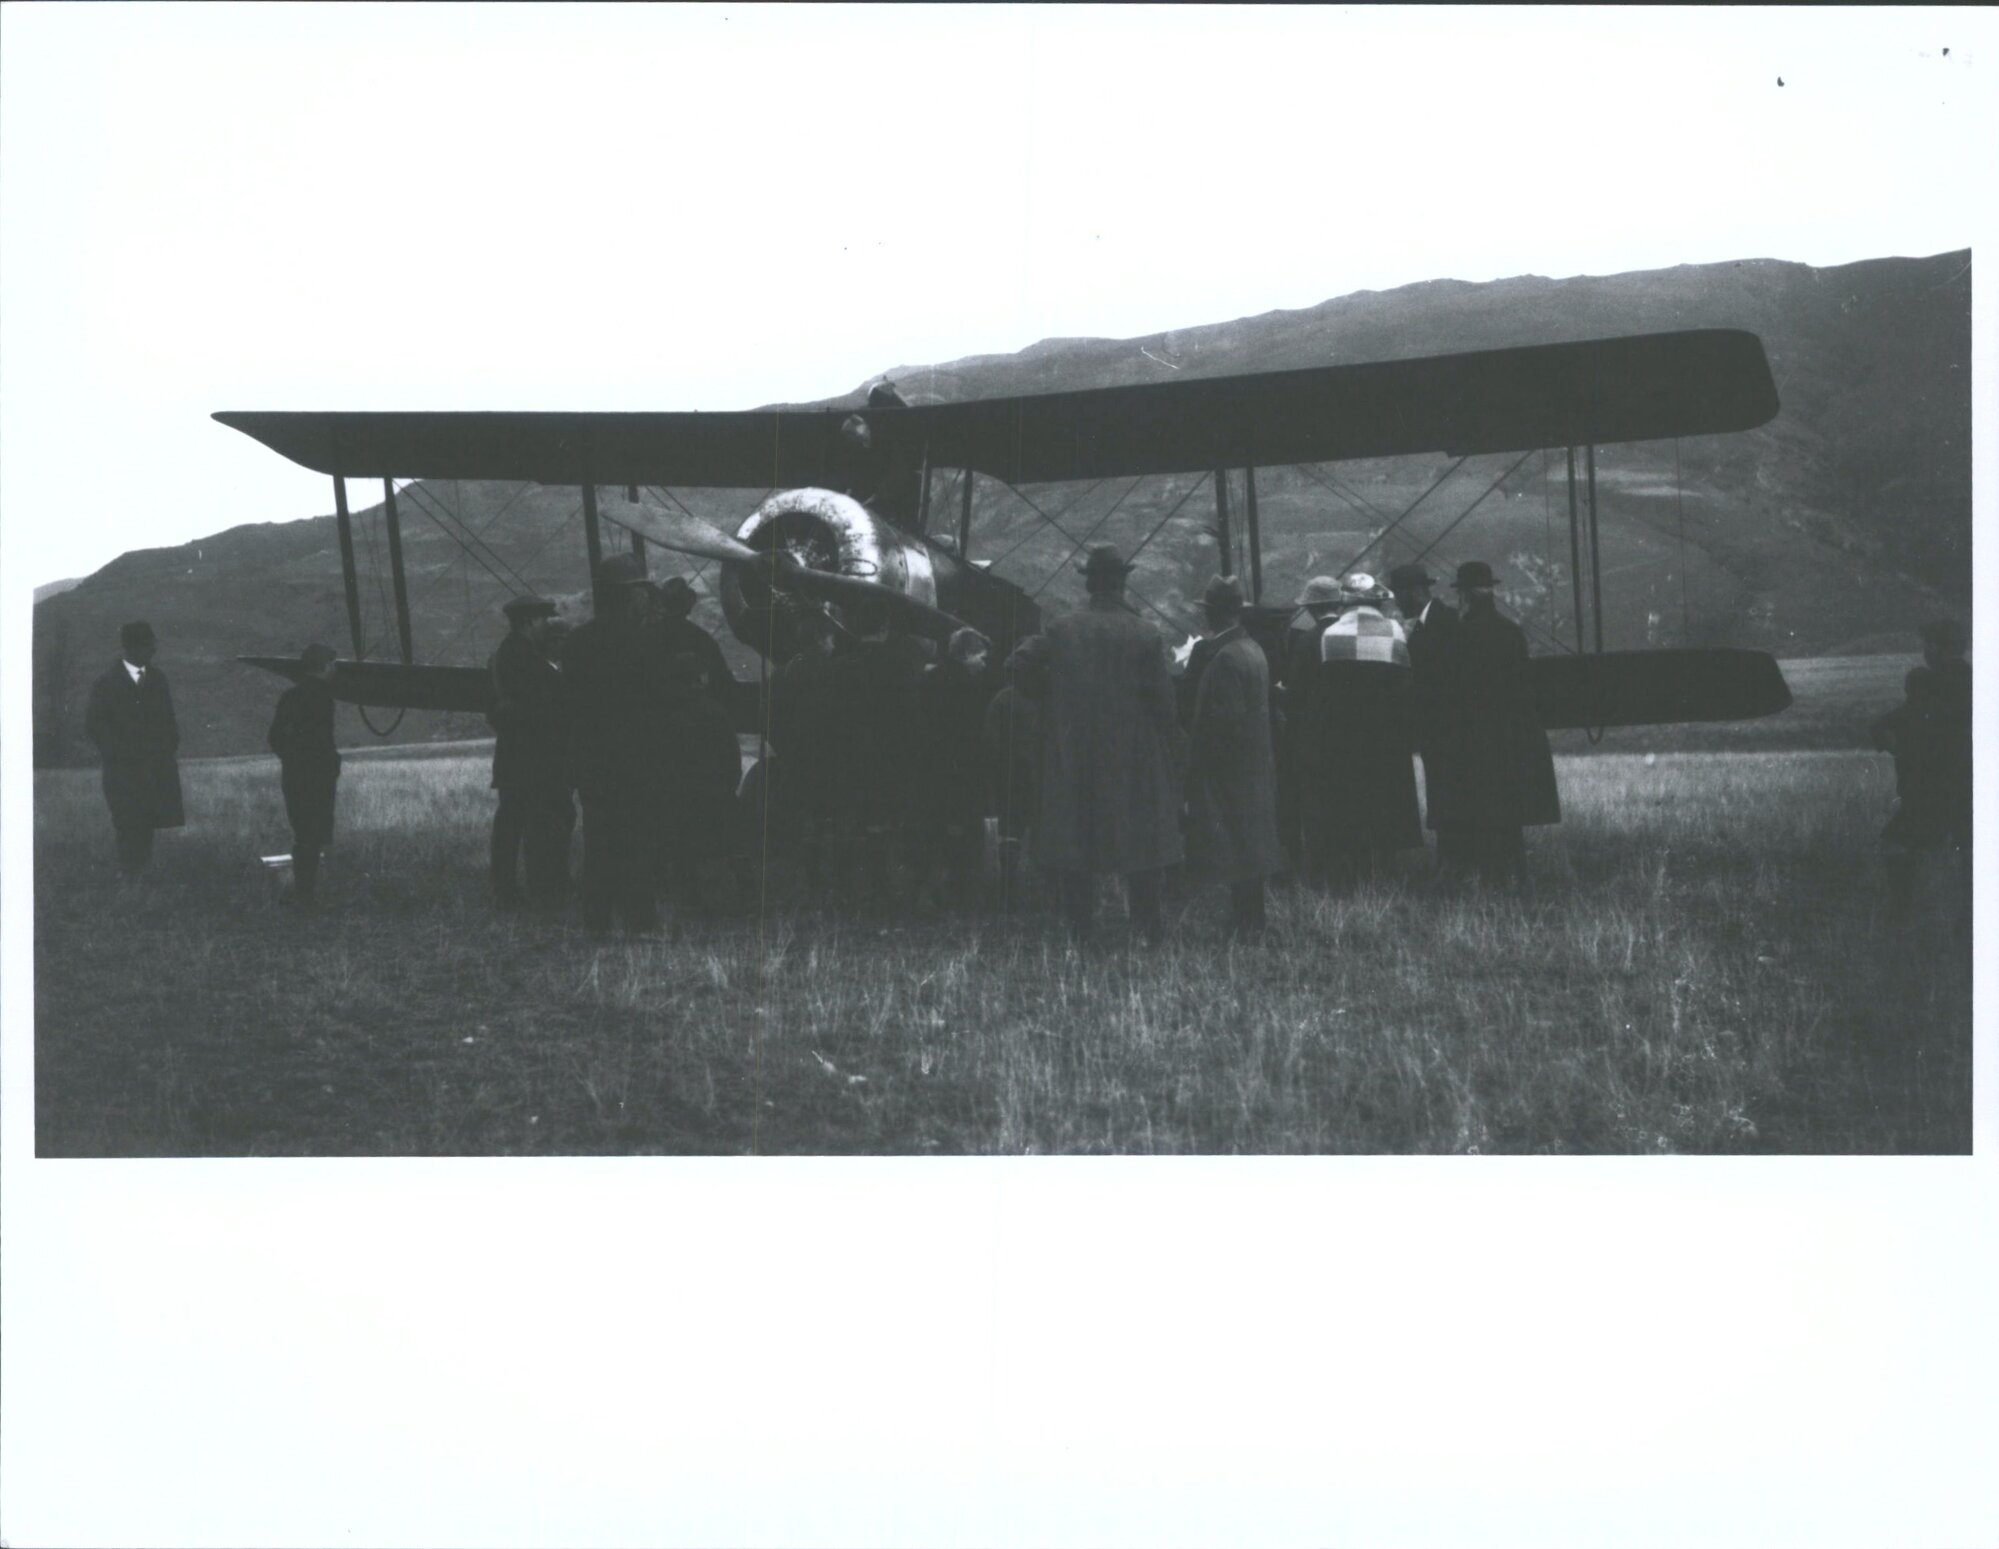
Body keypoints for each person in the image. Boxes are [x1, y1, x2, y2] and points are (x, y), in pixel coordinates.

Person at [1032, 544, 1185, 942]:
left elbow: (1018, 667)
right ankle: (1147, 926)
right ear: (1122, 583)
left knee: (1077, 834)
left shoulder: (1061, 629)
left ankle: (1080, 927)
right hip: (1135, 751)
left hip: (1077, 748)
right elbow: (1164, 704)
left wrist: (1054, 709)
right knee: (1143, 838)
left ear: (1089, 583)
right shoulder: (1146, 631)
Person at [562, 554, 667, 935]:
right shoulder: (645, 642)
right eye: (641, 590)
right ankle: (641, 925)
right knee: (638, 843)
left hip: (592, 762)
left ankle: (598, 924)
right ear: (627, 595)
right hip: (636, 761)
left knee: (599, 844)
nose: (646, 598)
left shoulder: (576, 642)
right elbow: (658, 703)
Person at [1437, 561, 1560, 883]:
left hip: (1474, 736)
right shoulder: (1511, 632)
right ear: (1490, 591)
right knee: (1509, 812)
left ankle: (1483, 876)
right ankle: (1514, 876)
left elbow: (1455, 690)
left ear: (1464, 595)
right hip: (1511, 735)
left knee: (1479, 809)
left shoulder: (1459, 634)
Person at [1296, 573, 1423, 884]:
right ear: (1377, 601)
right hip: (1386, 736)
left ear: (1346, 602)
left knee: (1352, 802)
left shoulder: (1330, 636)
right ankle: (1387, 868)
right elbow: (1406, 684)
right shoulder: (1394, 631)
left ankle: (1352, 870)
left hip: (1345, 738)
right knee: (1385, 800)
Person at [1185, 576, 1284, 935]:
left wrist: (1205, 763)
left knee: (1239, 841)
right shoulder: (1252, 648)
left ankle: (1246, 921)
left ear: (1213, 613)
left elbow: (1225, 720)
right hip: (1254, 761)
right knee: (1252, 840)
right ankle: (1251, 918)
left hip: (1232, 765)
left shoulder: (1225, 657)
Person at [816, 596, 922, 906]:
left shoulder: (838, 668)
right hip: (886, 759)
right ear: (885, 628)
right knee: (880, 824)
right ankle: (879, 886)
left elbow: (828, 718)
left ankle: (845, 887)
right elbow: (911, 718)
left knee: (848, 821)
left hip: (846, 758)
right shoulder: (901, 668)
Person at [1871, 620, 1972, 913]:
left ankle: (1901, 911)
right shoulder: (1976, 681)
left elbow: (1899, 721)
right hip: (1970, 782)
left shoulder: (1927, 683)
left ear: (1936, 647)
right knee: (1970, 846)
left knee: (1896, 840)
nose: (1925, 650)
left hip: (1934, 787)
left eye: (1927, 644)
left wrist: (1893, 742)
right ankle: (1971, 918)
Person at [487, 594, 572, 911]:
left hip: (516, 754)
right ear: (529, 622)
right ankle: (531, 890)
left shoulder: (508, 653)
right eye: (541, 620)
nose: (545, 626)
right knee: (528, 823)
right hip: (531, 756)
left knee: (511, 821)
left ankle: (507, 889)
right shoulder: (522, 657)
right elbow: (542, 705)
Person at [84, 620, 184, 876]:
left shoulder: (159, 680)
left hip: (153, 769)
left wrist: (164, 752)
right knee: (126, 822)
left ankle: (141, 874)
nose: (152, 650)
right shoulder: (105, 683)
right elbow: (96, 727)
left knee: (148, 820)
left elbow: (169, 724)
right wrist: (121, 755)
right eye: (147, 645)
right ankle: (130, 875)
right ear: (130, 647)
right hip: (122, 771)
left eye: (152, 644)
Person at [653, 651, 746, 913]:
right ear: (700, 678)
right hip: (715, 788)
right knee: (732, 844)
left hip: (679, 791)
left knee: (684, 848)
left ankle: (692, 899)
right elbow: (730, 753)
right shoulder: (713, 710)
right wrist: (728, 783)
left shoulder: (667, 713)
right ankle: (742, 896)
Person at [1388, 561, 1463, 867]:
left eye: (1400, 595)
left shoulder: (1440, 624)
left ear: (1415, 593)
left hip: (1444, 729)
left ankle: (1452, 862)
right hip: (1441, 729)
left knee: (1446, 795)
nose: (1397, 602)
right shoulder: (1436, 621)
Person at [915, 627, 994, 906]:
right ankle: (959, 889)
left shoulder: (928, 678)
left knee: (934, 828)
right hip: (960, 767)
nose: (984, 664)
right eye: (981, 657)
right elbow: (973, 733)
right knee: (960, 827)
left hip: (929, 764)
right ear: (967, 654)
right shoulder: (970, 687)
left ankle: (929, 888)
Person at [1274, 576, 1344, 868]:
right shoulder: (1347, 634)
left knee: (1314, 800)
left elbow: (1296, 692)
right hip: (1344, 731)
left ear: (1312, 607)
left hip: (1311, 733)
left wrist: (1280, 693)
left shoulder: (1307, 640)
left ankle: (1319, 861)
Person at [267, 642, 342, 903]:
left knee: (303, 835)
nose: (335, 669)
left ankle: (304, 892)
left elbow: (275, 737)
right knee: (313, 836)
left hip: (295, 775)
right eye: (332, 664)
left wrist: (293, 761)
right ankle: (305, 896)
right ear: (323, 666)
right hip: (317, 777)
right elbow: (321, 740)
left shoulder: (290, 696)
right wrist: (327, 764)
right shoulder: (323, 696)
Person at [985, 639, 1046, 907]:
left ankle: (1008, 890)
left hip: (1010, 774)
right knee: (1044, 829)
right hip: (1044, 774)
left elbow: (991, 741)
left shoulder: (1003, 698)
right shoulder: (1049, 699)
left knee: (1010, 831)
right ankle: (1047, 889)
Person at [645, 576, 735, 714]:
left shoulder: (649, 634)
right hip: (696, 712)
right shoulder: (702, 638)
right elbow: (724, 683)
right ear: (688, 607)